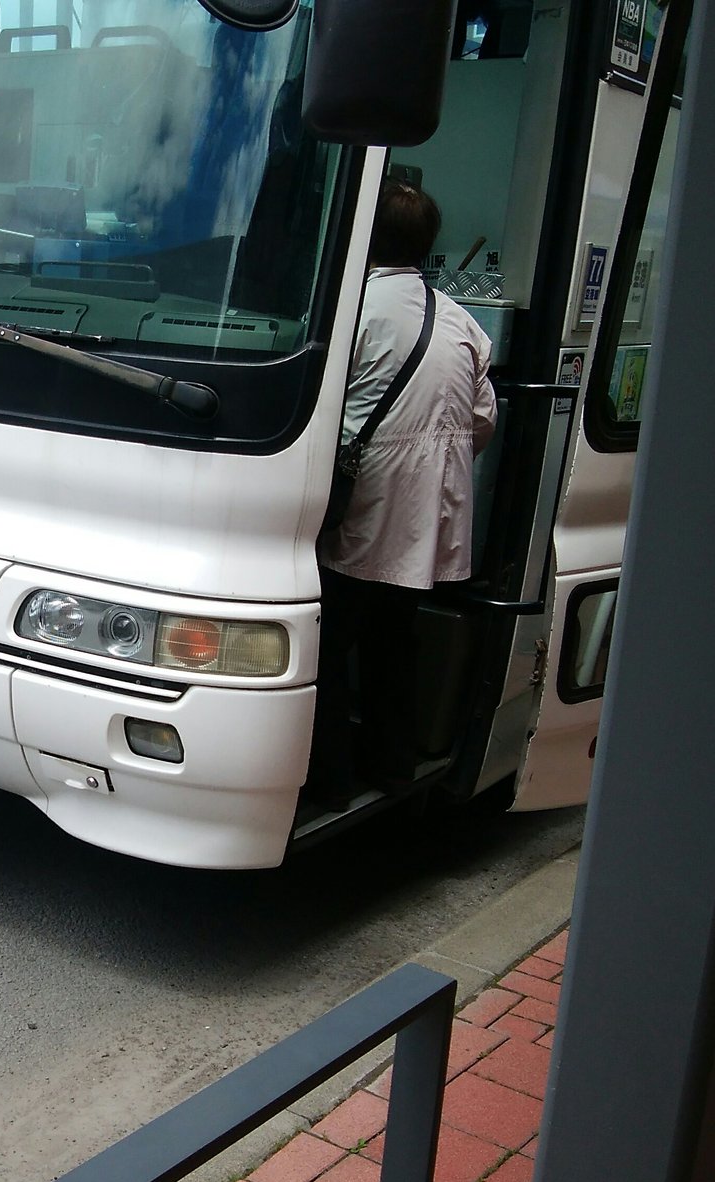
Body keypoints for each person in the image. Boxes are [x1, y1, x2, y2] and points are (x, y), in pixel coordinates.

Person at [313, 181, 498, 796]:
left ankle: (329, 779)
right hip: (429, 514)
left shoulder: (350, 312)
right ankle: (392, 768)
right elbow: (482, 421)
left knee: (327, 646)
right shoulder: (462, 320)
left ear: (363, 236)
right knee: (394, 642)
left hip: (363, 504)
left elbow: (319, 409)